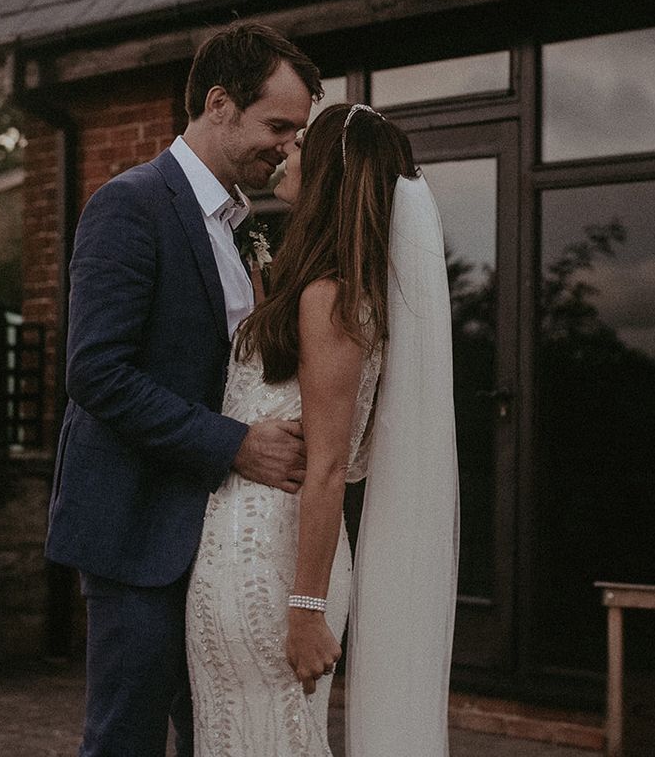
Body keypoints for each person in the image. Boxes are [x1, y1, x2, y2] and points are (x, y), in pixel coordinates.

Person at [45, 20, 323, 757]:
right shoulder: (130, 204)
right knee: (126, 741)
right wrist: (236, 445)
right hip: (137, 528)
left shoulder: (237, 224)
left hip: (220, 543)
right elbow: (95, 371)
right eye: (278, 127)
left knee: (215, 735)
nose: (287, 146)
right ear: (220, 103)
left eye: (296, 133)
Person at [186, 103, 460, 756]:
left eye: (302, 141)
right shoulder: (322, 291)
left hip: (271, 566)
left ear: (330, 172)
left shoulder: (331, 298)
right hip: (240, 551)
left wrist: (306, 608)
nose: (286, 149)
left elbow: (332, 464)